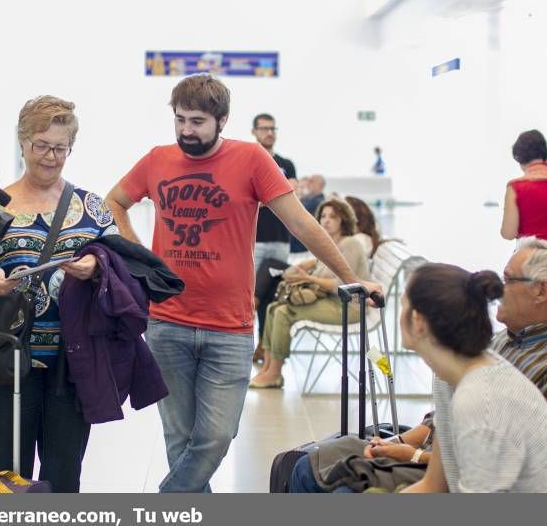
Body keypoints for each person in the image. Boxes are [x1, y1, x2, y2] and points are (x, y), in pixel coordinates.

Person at [105, 74, 379, 492]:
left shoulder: (251, 159)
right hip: (167, 322)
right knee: (178, 439)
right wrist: (141, 262)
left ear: (223, 120)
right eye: (179, 120)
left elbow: (300, 223)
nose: (186, 130)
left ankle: (165, 500)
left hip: (229, 327)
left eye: (197, 121)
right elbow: (115, 202)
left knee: (216, 436)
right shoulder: (157, 159)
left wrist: (351, 277)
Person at [0, 95, 118, 492]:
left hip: (72, 364)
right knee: (4, 476)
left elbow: (123, 270)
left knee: (64, 476)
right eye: (41, 145)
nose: (50, 157)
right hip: (5, 364)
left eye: (60, 148)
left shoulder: (92, 209)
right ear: (22, 141)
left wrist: (96, 267)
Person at [400, 264, 547, 493]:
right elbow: (433, 485)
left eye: (403, 305)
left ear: (418, 321)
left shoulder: (481, 403)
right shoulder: (449, 376)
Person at [250, 199, 371, 388]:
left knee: (283, 313)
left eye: (332, 216)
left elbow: (341, 284)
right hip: (330, 301)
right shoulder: (329, 245)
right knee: (274, 307)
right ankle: (267, 367)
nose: (326, 220)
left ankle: (274, 373)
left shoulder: (350, 244)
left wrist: (309, 279)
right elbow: (303, 273)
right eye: (323, 216)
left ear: (343, 220)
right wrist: (307, 266)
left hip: (348, 307)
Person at [493, 237, 547, 453]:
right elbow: (448, 412)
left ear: (541, 292)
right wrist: (401, 442)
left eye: (508, 280)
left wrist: (419, 456)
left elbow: (517, 459)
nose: (498, 288)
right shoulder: (505, 339)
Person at [289, 412, 435, 493]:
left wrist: (414, 456)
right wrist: (390, 442)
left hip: (430, 465)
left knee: (345, 492)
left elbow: (449, 464)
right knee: (306, 466)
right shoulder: (447, 386)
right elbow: (431, 426)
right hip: (418, 452)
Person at [501, 129, 547, 244]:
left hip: (530, 258)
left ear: (519, 157)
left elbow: (508, 233)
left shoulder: (516, 187)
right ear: (545, 154)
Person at [252, 113, 297, 271]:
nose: (269, 133)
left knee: (275, 288)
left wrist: (260, 197)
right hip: (254, 240)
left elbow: (291, 196)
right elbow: (246, 200)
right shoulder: (249, 163)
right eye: (264, 129)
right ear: (254, 131)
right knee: (253, 291)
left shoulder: (287, 164)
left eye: (272, 129)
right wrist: (277, 195)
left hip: (281, 239)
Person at [289, 174, 326, 255]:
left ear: (320, 185)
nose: (308, 183)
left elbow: (296, 211)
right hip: (298, 244)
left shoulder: (319, 202)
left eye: (311, 181)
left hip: (303, 247)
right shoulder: (309, 199)